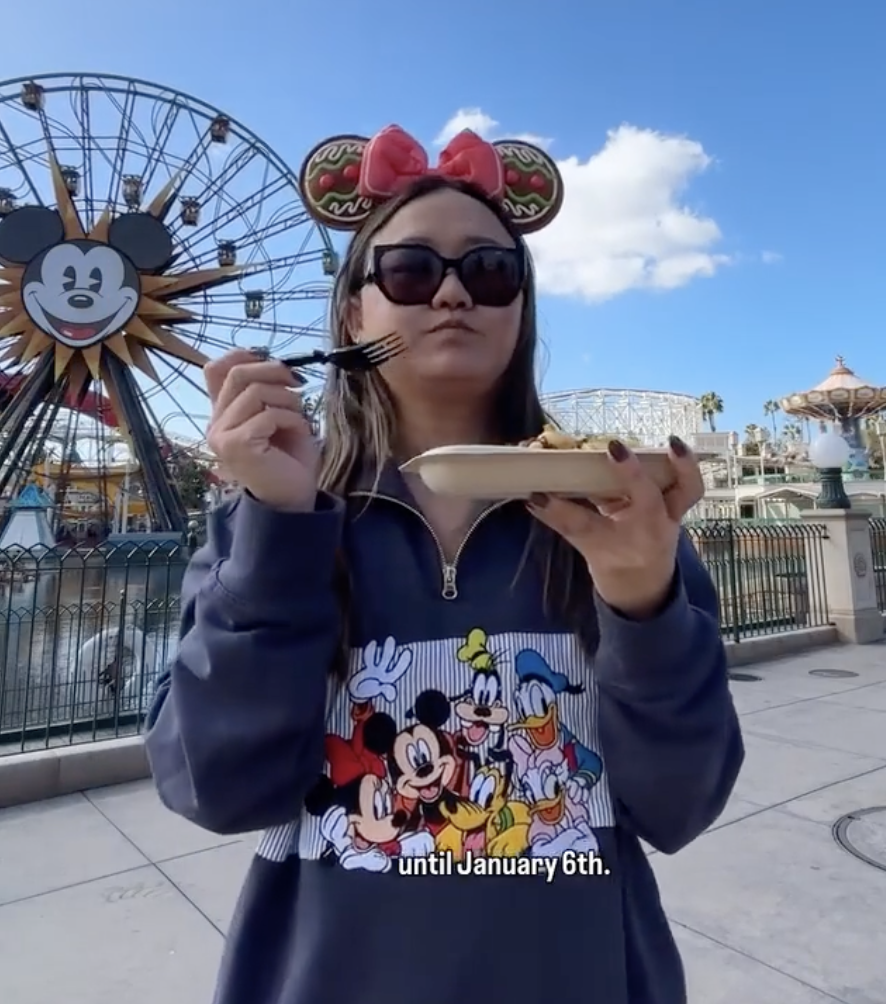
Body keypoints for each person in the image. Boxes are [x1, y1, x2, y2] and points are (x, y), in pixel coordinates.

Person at [145, 124, 744, 1004]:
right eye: (412, 270)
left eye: (490, 271)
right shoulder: (274, 519)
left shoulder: (619, 519)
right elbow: (213, 787)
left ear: (520, 311)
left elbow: (679, 807)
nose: (454, 292)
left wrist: (642, 604)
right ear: (355, 312)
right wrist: (277, 532)